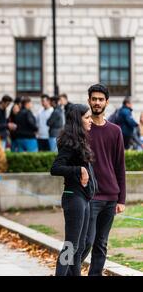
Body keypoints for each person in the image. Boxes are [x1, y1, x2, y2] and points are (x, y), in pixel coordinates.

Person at [80, 84, 126, 276]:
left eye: (101, 99)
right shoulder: (83, 129)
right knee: (86, 241)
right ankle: (67, 271)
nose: (97, 102)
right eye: (94, 99)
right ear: (89, 101)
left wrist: (121, 199)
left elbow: (119, 166)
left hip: (110, 196)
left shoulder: (115, 131)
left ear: (106, 102)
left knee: (101, 243)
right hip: (90, 196)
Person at [51, 104, 95, 276]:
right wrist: (79, 170)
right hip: (73, 197)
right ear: (78, 120)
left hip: (84, 198)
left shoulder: (80, 140)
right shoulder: (69, 143)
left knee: (81, 245)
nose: (90, 120)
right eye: (87, 117)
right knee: (71, 245)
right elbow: (55, 168)